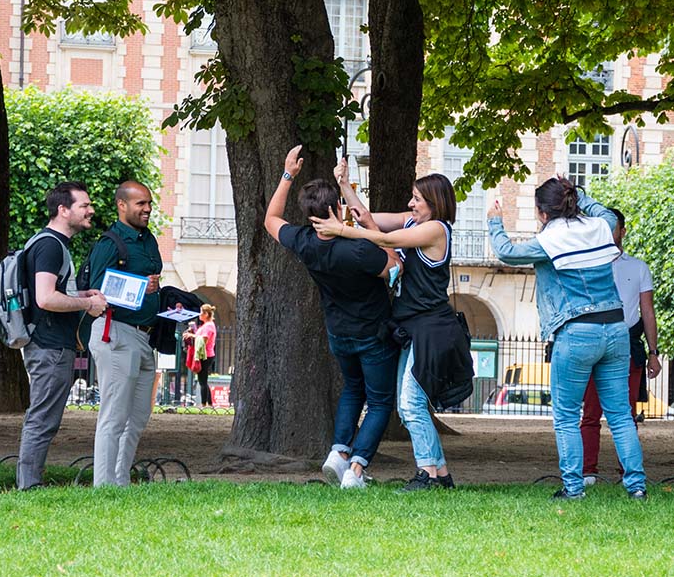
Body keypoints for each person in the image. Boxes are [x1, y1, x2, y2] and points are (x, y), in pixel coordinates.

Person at [312, 162, 471, 492]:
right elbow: (367, 219)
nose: (411, 204)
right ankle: (440, 474)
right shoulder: (413, 220)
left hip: (431, 327)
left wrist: (340, 231)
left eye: (417, 199)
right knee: (405, 404)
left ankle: (426, 473)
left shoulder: (436, 230)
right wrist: (344, 185)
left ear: (435, 202)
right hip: (412, 327)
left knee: (411, 404)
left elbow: (382, 237)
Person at [487, 178, 647, 500]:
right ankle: (637, 486)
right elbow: (608, 215)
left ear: (543, 214)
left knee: (566, 416)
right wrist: (579, 194)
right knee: (619, 415)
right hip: (615, 328)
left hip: (575, 332)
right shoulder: (601, 226)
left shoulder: (549, 240)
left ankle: (573, 488)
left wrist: (495, 221)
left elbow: (506, 252)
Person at [265, 145, 400, 489]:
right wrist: (363, 222)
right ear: (337, 209)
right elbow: (394, 266)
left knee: (352, 390)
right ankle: (356, 469)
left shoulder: (304, 241)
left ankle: (337, 454)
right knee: (381, 401)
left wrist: (287, 175)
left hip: (338, 332)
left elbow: (271, 220)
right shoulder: (358, 248)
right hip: (373, 332)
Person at [17, 182, 107, 490]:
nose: (90, 210)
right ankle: (28, 486)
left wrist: (81, 293)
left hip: (47, 343)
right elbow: (45, 299)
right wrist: (88, 304)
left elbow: (52, 293)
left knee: (43, 416)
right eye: (84, 205)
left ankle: (29, 481)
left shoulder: (46, 243)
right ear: (63, 210)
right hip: (50, 345)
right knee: (43, 418)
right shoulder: (51, 245)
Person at [88, 181, 163, 487]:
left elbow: (151, 281)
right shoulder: (110, 243)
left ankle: (120, 482)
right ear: (122, 205)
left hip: (145, 336)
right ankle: (104, 486)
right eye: (140, 204)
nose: (146, 209)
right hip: (117, 333)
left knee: (137, 418)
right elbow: (95, 292)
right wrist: (139, 287)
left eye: (148, 203)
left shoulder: (148, 240)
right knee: (114, 417)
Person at [581, 208, 661, 484]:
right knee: (590, 412)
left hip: (626, 344)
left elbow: (647, 311)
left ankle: (627, 471)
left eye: (613, 226)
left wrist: (653, 352)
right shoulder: (589, 264)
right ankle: (588, 470)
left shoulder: (638, 267)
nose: (609, 231)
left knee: (625, 413)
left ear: (623, 231)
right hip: (594, 342)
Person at [183, 304, 217, 406]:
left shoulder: (209, 326)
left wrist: (191, 335)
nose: (199, 314)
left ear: (206, 314)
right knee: (204, 380)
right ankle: (210, 404)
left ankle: (203, 404)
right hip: (206, 354)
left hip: (205, 355)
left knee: (202, 381)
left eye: (201, 312)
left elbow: (204, 340)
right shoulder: (206, 325)